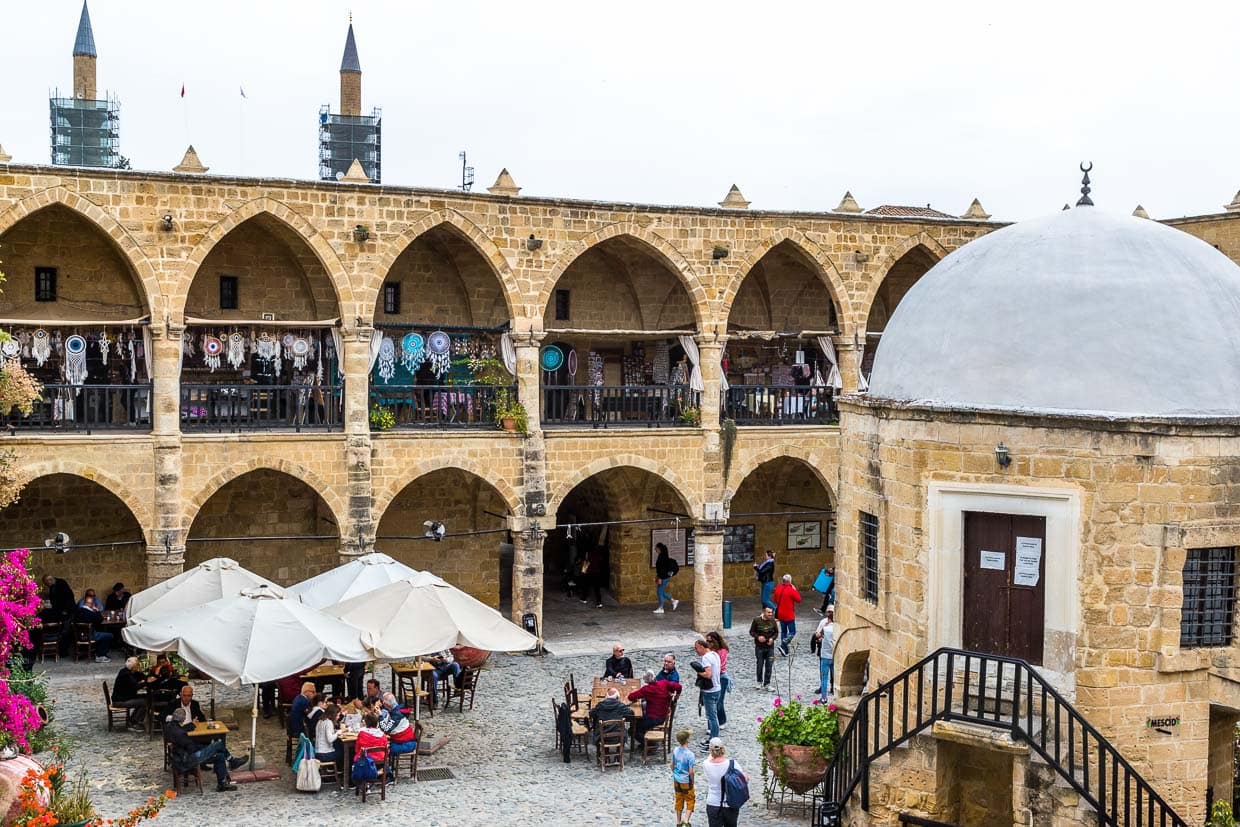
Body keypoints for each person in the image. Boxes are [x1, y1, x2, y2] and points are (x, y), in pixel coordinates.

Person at [164, 707, 247, 792]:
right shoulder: (180, 734)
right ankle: (232, 761)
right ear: (184, 719)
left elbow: (182, 730)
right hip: (189, 759)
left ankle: (222, 784)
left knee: (220, 756)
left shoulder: (170, 727)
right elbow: (192, 748)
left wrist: (192, 725)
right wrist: (205, 749)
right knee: (219, 744)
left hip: (182, 756)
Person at [702, 738, 748, 827]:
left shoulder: (706, 764)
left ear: (710, 750)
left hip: (713, 803)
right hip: (730, 803)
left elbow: (710, 757)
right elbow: (745, 779)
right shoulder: (733, 764)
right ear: (723, 749)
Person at [628, 669, 682, 738]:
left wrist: (636, 694)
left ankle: (648, 743)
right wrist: (677, 695)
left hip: (654, 718)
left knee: (633, 729)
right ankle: (644, 734)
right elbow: (679, 686)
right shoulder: (664, 683)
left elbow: (631, 697)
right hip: (664, 714)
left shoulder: (646, 689)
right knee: (638, 720)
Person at [693, 638, 722, 748]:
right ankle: (712, 739)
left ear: (701, 646)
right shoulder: (714, 654)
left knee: (712, 717)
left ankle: (714, 742)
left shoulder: (706, 658)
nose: (696, 651)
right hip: (717, 688)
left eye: (696, 648)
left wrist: (699, 672)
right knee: (713, 716)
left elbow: (708, 674)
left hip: (710, 691)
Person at [111, 657, 153, 729]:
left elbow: (141, 676)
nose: (138, 666)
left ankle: (134, 719)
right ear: (134, 667)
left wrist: (144, 678)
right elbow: (136, 686)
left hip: (126, 697)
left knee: (146, 697)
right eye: (137, 665)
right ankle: (134, 722)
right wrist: (146, 682)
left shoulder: (129, 672)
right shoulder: (126, 674)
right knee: (145, 702)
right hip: (120, 701)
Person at [748, 606, 778, 691]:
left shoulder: (773, 621)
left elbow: (776, 632)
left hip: (770, 647)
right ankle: (759, 682)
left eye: (771, 612)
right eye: (768, 612)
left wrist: (772, 638)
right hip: (759, 647)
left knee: (769, 666)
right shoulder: (756, 620)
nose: (770, 614)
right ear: (764, 612)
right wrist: (758, 637)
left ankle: (767, 683)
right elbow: (751, 632)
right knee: (760, 665)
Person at [671, 729, 697, 827]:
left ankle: (678, 821)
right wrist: (692, 781)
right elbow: (691, 771)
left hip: (677, 779)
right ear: (687, 740)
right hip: (686, 780)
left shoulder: (676, 750)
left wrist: (675, 773)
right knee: (690, 799)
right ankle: (686, 821)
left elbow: (672, 765)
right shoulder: (690, 755)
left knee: (679, 798)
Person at [379, 692, 418, 756]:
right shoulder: (396, 709)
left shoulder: (397, 714)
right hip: (400, 741)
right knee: (383, 745)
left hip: (406, 744)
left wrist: (380, 716)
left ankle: (387, 766)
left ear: (386, 704)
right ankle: (387, 765)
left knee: (383, 750)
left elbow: (385, 729)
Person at [772, 574, 802, 656]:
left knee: (784, 632)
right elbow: (799, 599)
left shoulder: (778, 588)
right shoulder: (791, 590)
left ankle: (785, 650)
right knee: (792, 631)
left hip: (780, 614)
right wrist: (795, 590)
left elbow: (775, 600)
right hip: (789, 614)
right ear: (790, 581)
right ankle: (783, 645)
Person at [706, 631, 730, 729]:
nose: (708, 643)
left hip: (721, 676)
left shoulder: (722, 651)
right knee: (710, 702)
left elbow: (720, 665)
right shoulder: (708, 651)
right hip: (711, 676)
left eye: (710, 641)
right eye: (707, 641)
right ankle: (712, 723)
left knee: (719, 701)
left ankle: (721, 720)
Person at [314, 702, 343, 774]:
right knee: (343, 752)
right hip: (324, 754)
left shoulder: (321, 720)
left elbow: (325, 733)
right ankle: (339, 771)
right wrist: (338, 732)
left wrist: (334, 731)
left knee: (338, 746)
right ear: (333, 714)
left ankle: (332, 769)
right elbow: (330, 739)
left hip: (318, 751)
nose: (338, 717)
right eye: (338, 715)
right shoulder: (329, 722)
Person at [813, 607, 836, 699]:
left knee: (824, 677)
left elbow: (817, 635)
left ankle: (823, 698)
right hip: (834, 655)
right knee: (834, 677)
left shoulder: (826, 628)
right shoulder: (838, 627)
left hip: (825, 655)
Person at [654, 542, 681, 614]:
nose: (655, 549)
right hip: (664, 577)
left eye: (656, 548)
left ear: (659, 549)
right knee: (661, 591)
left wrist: (660, 578)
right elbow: (660, 569)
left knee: (660, 592)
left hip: (663, 577)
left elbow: (662, 569)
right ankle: (673, 601)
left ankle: (661, 607)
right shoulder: (663, 555)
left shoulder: (662, 557)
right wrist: (658, 576)